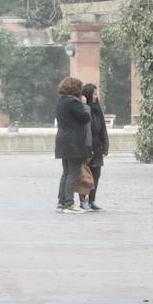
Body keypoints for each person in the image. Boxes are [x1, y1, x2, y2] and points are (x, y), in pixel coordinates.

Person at [54, 75, 91, 214]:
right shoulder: (73, 103)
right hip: (73, 142)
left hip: (63, 140)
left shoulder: (61, 101)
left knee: (66, 172)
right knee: (73, 173)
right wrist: (84, 104)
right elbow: (85, 118)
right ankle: (69, 203)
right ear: (76, 89)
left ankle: (61, 202)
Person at [80, 83, 109, 211]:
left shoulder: (97, 108)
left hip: (97, 146)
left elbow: (103, 128)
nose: (96, 96)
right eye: (94, 93)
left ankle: (92, 200)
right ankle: (83, 201)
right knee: (86, 175)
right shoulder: (84, 108)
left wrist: (105, 145)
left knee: (96, 175)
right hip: (87, 146)